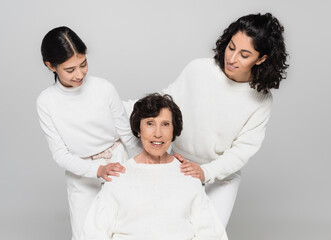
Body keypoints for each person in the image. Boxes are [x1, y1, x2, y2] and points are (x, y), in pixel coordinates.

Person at [161, 12, 289, 226]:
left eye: (244, 54)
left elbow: (242, 150)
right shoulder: (199, 69)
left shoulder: (261, 100)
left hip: (222, 175)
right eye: (231, 47)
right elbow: (164, 105)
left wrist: (206, 172)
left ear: (261, 58)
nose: (231, 58)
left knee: (211, 233)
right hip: (178, 163)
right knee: (167, 228)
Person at [36, 26, 141, 240]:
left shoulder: (104, 88)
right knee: (86, 235)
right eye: (70, 69)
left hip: (117, 164)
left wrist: (157, 157)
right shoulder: (46, 102)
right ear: (50, 66)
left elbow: (127, 136)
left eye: (83, 64)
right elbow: (60, 154)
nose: (80, 74)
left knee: (125, 229)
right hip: (80, 172)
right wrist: (97, 170)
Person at [82, 93, 227, 240]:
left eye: (165, 124)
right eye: (150, 123)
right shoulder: (118, 177)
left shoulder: (188, 175)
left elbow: (211, 233)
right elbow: (94, 234)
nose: (158, 134)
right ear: (139, 130)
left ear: (173, 130)